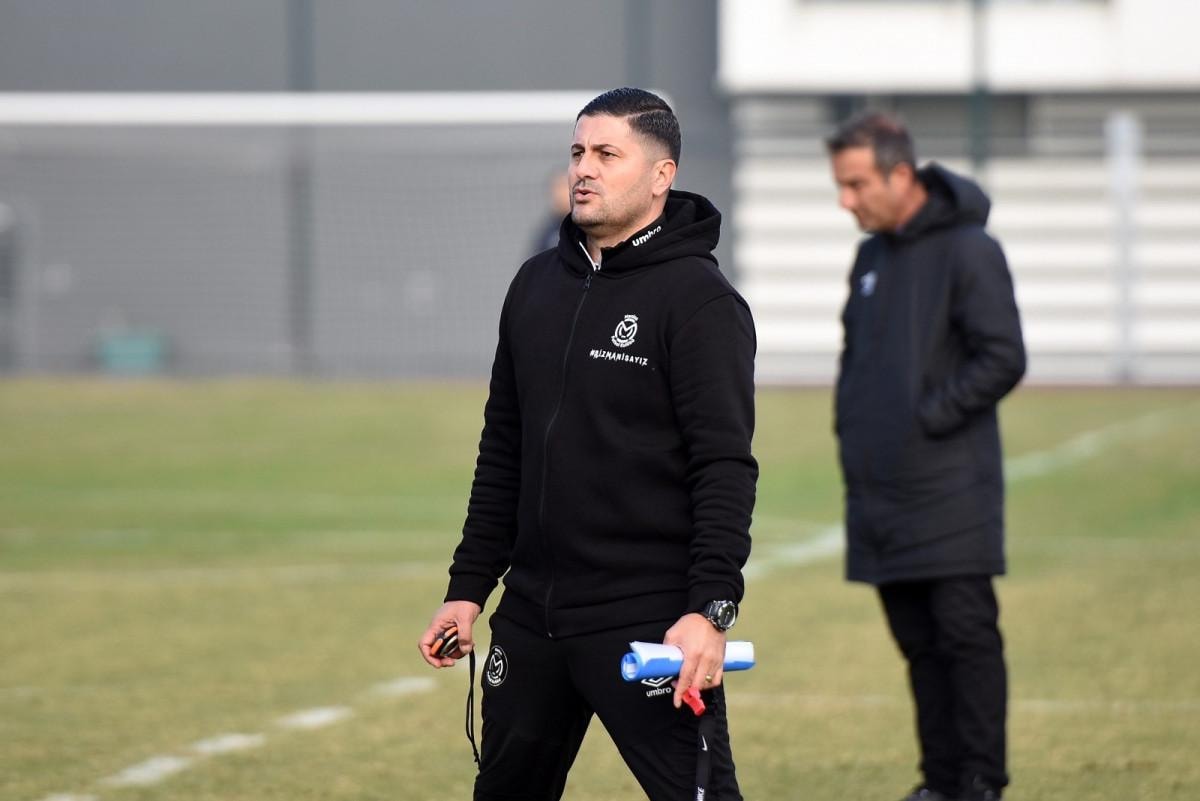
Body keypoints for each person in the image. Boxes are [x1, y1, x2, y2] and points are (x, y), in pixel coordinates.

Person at [419, 87, 757, 801]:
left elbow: (724, 466)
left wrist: (710, 610)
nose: (584, 168)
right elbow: (503, 449)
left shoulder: (700, 301)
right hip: (531, 614)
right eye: (578, 152)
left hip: (646, 619)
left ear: (661, 175)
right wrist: (468, 588)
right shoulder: (535, 284)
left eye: (607, 153)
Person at [826, 111, 1026, 801]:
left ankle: (980, 782)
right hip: (879, 491)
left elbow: (1003, 356)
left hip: (949, 490)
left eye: (857, 184)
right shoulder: (871, 258)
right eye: (840, 185)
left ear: (901, 174)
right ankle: (938, 782)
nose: (846, 200)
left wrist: (927, 418)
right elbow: (858, 360)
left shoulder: (971, 249)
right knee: (917, 642)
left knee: (965, 639)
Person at [530, 167, 572, 255]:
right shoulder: (547, 233)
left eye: (564, 187)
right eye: (557, 188)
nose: (560, 194)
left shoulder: (587, 228)